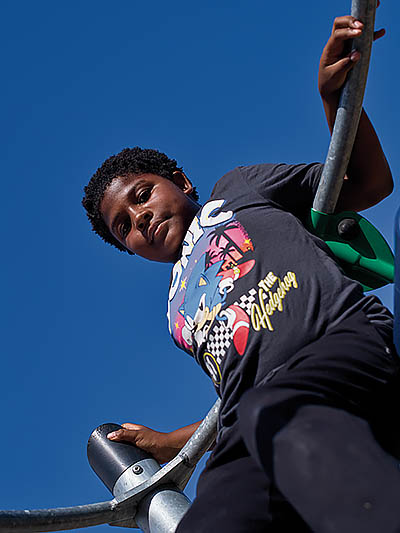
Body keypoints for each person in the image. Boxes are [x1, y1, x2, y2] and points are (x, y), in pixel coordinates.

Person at [82, 12, 400, 532]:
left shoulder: (238, 192)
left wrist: (333, 100)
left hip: (341, 342)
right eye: (124, 228)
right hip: (263, 414)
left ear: (182, 182)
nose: (139, 217)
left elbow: (367, 182)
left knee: (274, 408)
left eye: (142, 196)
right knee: (219, 515)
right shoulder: (177, 314)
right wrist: (168, 444)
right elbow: (236, 394)